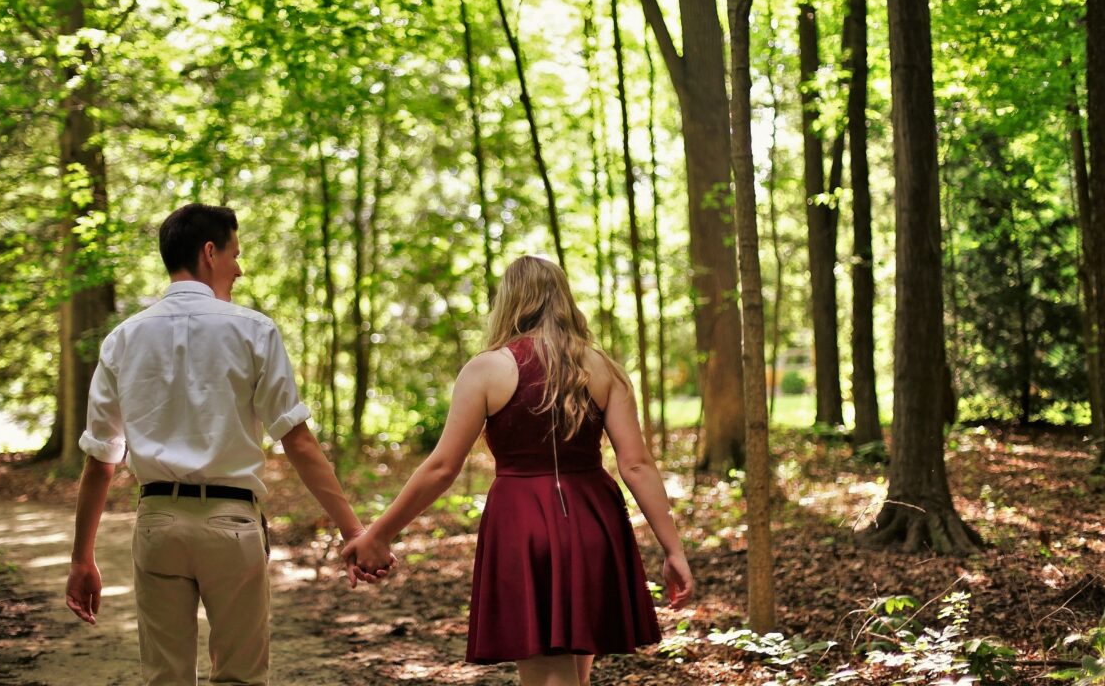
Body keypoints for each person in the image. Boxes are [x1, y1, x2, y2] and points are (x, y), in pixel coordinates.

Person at [64, 203, 393, 686]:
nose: (239, 268)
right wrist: (353, 532)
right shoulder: (253, 330)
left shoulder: (123, 339)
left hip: (157, 525)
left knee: (164, 678)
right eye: (235, 254)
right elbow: (297, 442)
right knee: (241, 678)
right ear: (210, 251)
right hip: (232, 526)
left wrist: (81, 559)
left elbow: (100, 461)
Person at [342, 255, 694, 686]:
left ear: (508, 303)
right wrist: (672, 549)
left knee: (550, 673)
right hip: (593, 519)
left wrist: (378, 533)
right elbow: (636, 464)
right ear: (563, 300)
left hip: (522, 522)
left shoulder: (487, 368)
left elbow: (442, 467)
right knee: (572, 670)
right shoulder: (603, 368)